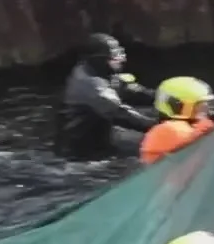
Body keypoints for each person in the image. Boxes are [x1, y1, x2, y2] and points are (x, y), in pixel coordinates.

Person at [57, 33, 157, 161]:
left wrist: (161, 97)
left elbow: (132, 90)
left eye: (120, 52)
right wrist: (160, 126)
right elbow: (120, 113)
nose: (122, 58)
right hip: (79, 159)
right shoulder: (92, 86)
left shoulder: (98, 70)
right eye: (115, 55)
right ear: (99, 59)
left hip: (102, 139)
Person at [139, 76, 214, 165]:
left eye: (205, 104)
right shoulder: (172, 130)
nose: (205, 108)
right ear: (177, 105)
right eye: (198, 105)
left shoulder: (200, 125)